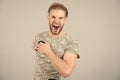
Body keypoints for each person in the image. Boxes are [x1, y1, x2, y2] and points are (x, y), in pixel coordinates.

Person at [33, 2, 80, 80]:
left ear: (65, 20)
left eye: (60, 18)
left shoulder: (71, 43)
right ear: (48, 18)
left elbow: (66, 72)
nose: (56, 21)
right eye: (53, 17)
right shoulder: (39, 37)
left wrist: (48, 52)